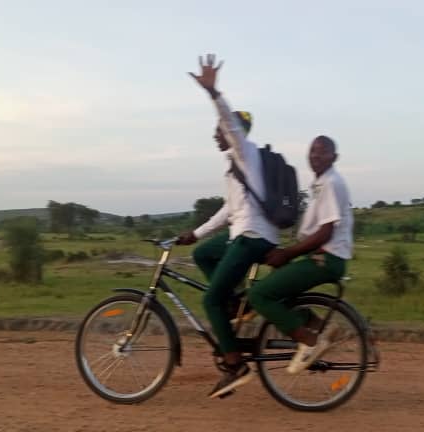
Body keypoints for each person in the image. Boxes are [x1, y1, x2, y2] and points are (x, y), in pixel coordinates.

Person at [176, 54, 279, 398]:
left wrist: (213, 93)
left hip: (252, 238)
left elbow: (232, 124)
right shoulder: (237, 167)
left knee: (210, 302)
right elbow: (228, 211)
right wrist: (196, 234)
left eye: (221, 130)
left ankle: (235, 364)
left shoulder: (244, 152)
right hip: (243, 233)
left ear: (233, 132)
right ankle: (237, 304)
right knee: (205, 253)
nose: (216, 134)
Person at [247, 135, 354, 374]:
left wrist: (287, 254)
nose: (315, 156)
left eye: (322, 152)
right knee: (279, 290)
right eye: (312, 151)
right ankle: (322, 326)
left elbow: (326, 232)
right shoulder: (321, 183)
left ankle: (309, 342)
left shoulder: (331, 183)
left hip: (326, 258)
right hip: (321, 255)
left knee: (259, 295)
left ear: (333, 157)